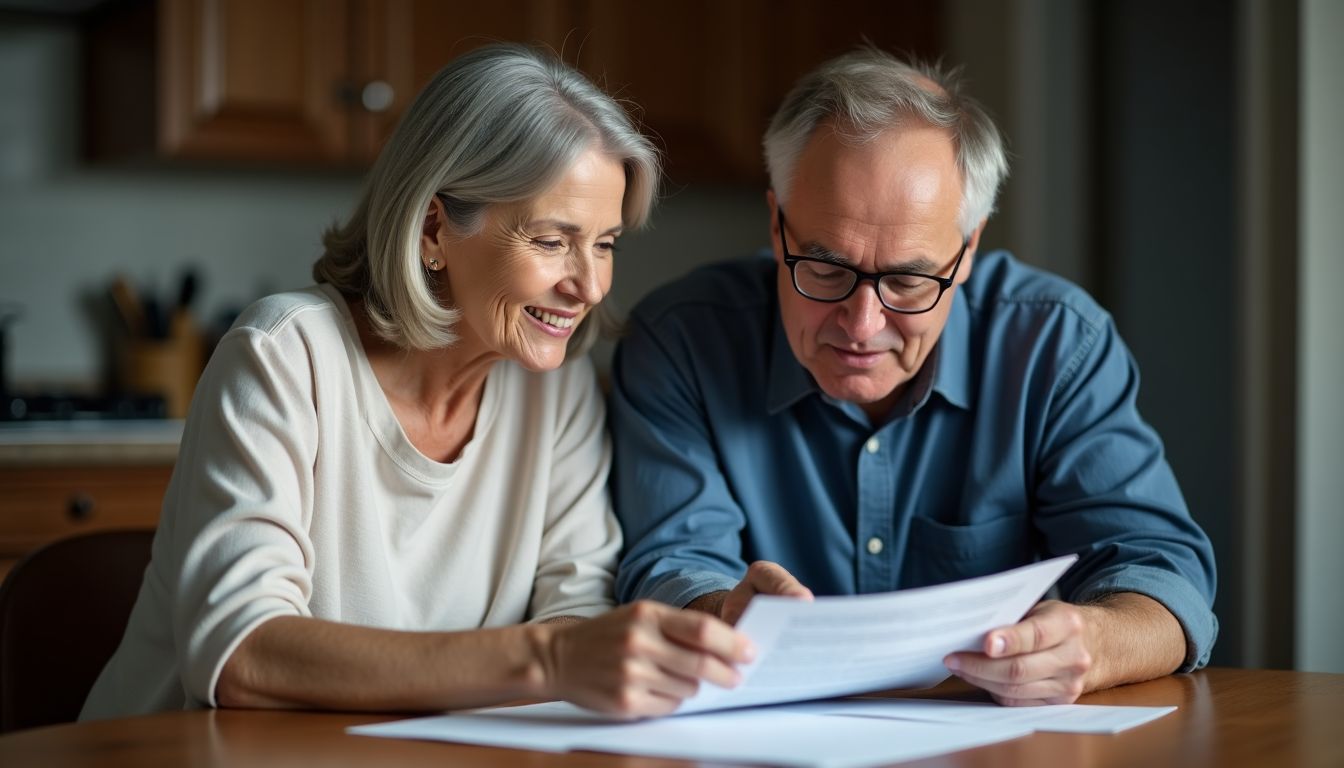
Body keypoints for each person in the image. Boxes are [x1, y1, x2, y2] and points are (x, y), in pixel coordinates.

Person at [81, 44, 751, 722]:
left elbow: (578, 615)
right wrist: (547, 659)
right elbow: (239, 654)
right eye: (552, 241)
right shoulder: (284, 355)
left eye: (605, 243)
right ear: (434, 229)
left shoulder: (557, 389)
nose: (590, 285)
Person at [609, 47, 1217, 706]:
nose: (863, 323)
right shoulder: (680, 342)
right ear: (776, 221)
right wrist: (723, 610)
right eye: (826, 267)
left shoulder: (1055, 345)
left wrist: (1095, 641)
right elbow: (670, 563)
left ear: (969, 249)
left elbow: (1162, 572)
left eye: (907, 279)